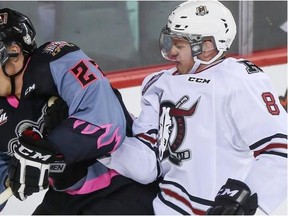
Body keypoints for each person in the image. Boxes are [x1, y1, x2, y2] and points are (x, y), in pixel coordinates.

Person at [102, 0, 287, 215]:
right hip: (165, 208)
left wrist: (243, 202)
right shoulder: (158, 85)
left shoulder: (239, 81)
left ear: (207, 47)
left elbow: (280, 150)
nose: (171, 52)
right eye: (171, 42)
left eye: (179, 45)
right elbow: (148, 166)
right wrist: (103, 146)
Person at [0, 8, 159, 214]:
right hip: (67, 196)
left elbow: (106, 126)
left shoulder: (57, 60)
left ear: (13, 51)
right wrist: (15, 174)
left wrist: (48, 147)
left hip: (122, 183)